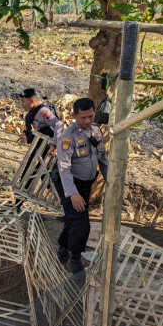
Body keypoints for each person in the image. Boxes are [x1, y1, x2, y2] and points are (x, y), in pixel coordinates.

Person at [53, 98, 108, 274]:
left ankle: (63, 248)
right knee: (81, 221)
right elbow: (64, 168)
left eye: (91, 116)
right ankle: (74, 257)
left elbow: (103, 158)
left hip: (86, 184)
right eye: (83, 117)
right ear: (74, 115)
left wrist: (110, 180)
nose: (87, 121)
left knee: (72, 217)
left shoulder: (96, 131)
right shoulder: (68, 138)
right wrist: (72, 193)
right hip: (68, 182)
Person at [17, 88, 63, 153]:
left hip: (48, 148)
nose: (22, 104)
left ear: (32, 100)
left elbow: (58, 125)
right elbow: (40, 132)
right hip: (41, 147)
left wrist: (55, 146)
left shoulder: (43, 111)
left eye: (23, 101)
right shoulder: (32, 112)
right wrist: (28, 138)